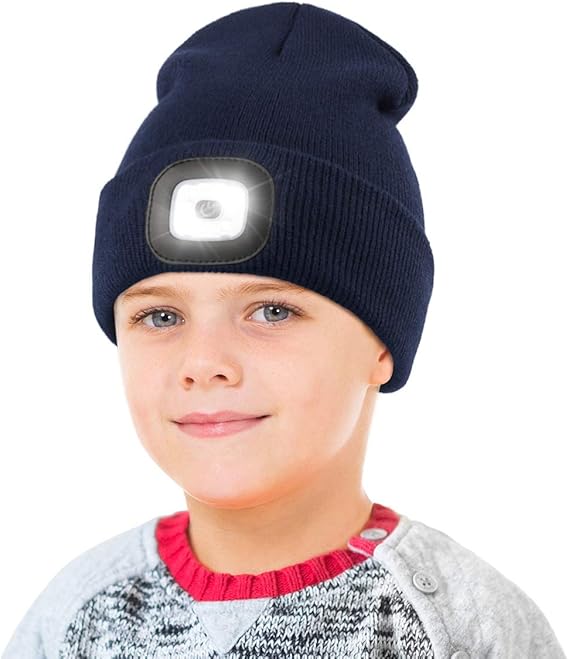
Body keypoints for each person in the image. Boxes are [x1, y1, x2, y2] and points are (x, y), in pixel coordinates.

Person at [3, 3, 566, 658]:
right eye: (161, 316)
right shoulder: (77, 614)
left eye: (271, 311)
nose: (204, 362)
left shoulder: (465, 629)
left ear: (382, 342)